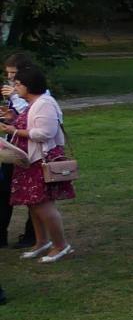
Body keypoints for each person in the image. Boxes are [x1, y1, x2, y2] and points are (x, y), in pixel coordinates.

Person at [5, 62, 73, 263]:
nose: (15, 87)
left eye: (18, 84)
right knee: (33, 204)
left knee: (43, 204)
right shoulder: (34, 104)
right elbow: (30, 124)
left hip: (41, 160)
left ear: (29, 85)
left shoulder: (45, 103)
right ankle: (42, 241)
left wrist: (14, 131)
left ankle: (61, 245)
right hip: (29, 160)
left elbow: (45, 133)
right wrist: (12, 119)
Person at [1, 54, 37, 251]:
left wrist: (15, 96)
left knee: (34, 195)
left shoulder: (40, 94)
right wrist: (9, 118)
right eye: (8, 74)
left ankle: (32, 236)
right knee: (4, 192)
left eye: (14, 73)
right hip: (12, 149)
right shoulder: (14, 93)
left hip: (31, 151)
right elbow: (20, 119)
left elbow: (32, 117)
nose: (10, 78)